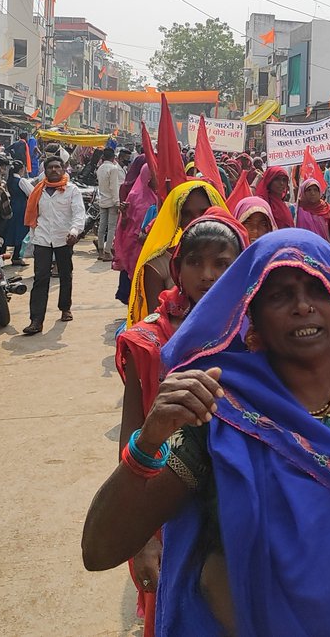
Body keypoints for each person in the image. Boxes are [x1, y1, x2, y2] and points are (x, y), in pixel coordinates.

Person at [82, 230, 330, 637]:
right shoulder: (221, 407)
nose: (303, 306)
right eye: (281, 295)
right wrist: (148, 442)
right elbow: (99, 549)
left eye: (317, 289)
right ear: (252, 316)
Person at [114, 208, 247, 635]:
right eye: (195, 261)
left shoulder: (257, 334)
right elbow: (133, 438)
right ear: (177, 267)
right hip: (170, 503)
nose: (207, 275)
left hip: (242, 506)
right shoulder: (148, 341)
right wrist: (141, 536)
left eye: (221, 263)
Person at [127, 181, 224, 326]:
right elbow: (157, 324)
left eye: (204, 212)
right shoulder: (159, 264)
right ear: (177, 218)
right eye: (186, 214)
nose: (196, 220)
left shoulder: (232, 257)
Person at [22, 157, 86, 335]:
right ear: (45, 170)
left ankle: (65, 307)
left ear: (64, 169)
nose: (54, 170)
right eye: (50, 167)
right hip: (42, 238)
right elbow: (34, 215)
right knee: (40, 278)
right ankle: (36, 320)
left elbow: (79, 213)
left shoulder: (72, 190)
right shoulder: (38, 190)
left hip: (64, 238)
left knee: (65, 274)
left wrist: (74, 231)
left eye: (58, 167)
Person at [114, 162, 159, 306]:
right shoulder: (134, 196)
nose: (156, 178)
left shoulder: (162, 195)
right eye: (153, 175)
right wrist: (125, 215)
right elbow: (124, 225)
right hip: (134, 244)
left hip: (154, 243)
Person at [96, 147, 124, 262]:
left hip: (102, 200)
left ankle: (101, 250)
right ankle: (108, 252)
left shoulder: (100, 168)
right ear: (113, 158)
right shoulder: (113, 168)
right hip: (112, 201)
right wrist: (117, 202)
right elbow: (114, 187)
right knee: (111, 227)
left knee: (102, 226)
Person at [4, 160, 33, 265]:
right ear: (22, 169)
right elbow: (32, 193)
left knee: (9, 230)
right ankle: (16, 256)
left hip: (12, 205)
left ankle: (2, 255)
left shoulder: (9, 180)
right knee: (21, 231)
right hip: (21, 207)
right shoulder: (21, 181)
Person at [294, 177, 330, 243]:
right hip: (303, 249)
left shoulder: (326, 208)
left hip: (323, 247)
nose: (312, 193)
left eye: (315, 190)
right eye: (309, 190)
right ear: (303, 192)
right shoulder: (297, 209)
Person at [254, 165, 295, 230]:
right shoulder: (261, 203)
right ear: (269, 181)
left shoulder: (286, 206)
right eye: (277, 179)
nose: (281, 183)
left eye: (284, 180)